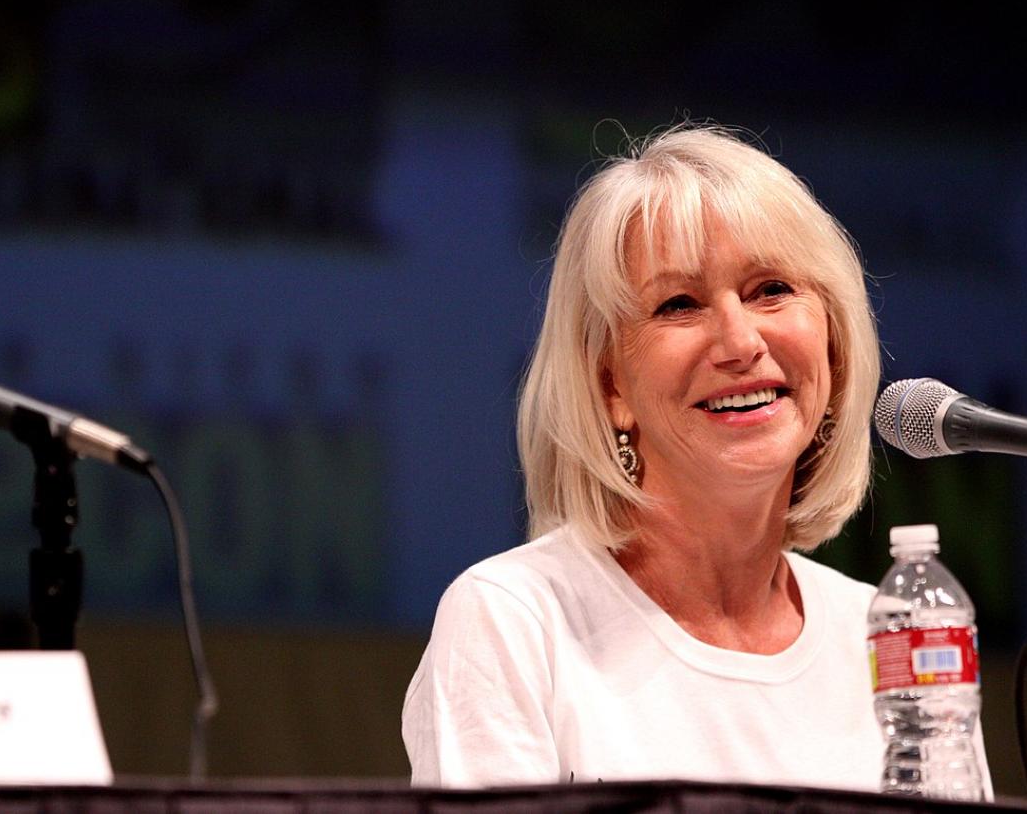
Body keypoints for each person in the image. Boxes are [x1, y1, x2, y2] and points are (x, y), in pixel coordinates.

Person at [401, 125, 988, 792]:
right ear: (610, 385)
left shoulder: (898, 637)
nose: (740, 343)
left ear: (832, 342)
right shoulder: (513, 621)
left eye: (771, 289)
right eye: (678, 305)